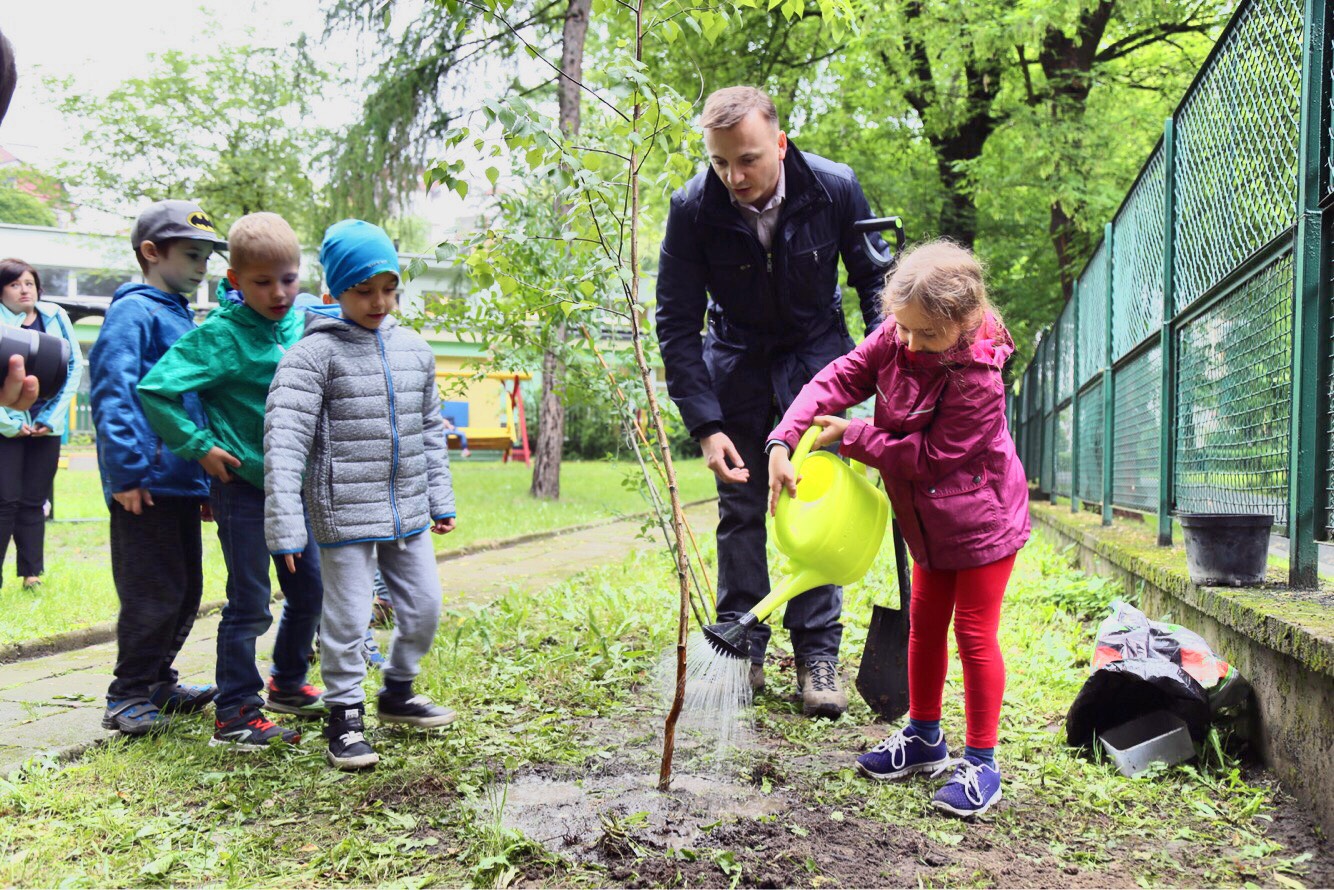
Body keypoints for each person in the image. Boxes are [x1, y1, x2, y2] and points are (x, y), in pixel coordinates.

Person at [767, 240, 1030, 818]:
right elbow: (840, 375)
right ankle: (924, 737)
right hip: (929, 521)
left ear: (962, 324)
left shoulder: (978, 380)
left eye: (925, 336)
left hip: (982, 520)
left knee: (974, 635)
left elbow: (933, 459)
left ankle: (983, 763)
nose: (908, 344)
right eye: (902, 329)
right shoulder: (901, 332)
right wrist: (785, 438)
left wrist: (853, 436)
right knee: (923, 626)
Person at [655, 86, 888, 718]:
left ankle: (816, 651)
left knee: (815, 504)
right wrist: (705, 425)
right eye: (722, 162)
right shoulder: (692, 208)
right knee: (739, 508)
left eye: (749, 160)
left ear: (780, 144)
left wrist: (884, 374)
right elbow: (676, 323)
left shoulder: (834, 189)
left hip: (819, 364)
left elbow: (875, 284)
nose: (735, 177)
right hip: (733, 369)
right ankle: (742, 650)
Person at [265, 219, 458, 770]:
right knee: (347, 620)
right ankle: (343, 715)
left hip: (409, 511)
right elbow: (284, 444)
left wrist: (439, 499)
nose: (379, 302)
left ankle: (397, 690)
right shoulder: (311, 356)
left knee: (423, 609)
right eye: (363, 291)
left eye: (389, 289)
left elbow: (428, 429)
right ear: (333, 293)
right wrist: (285, 528)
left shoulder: (414, 350)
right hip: (342, 513)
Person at [138, 212, 327, 750]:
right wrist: (198, 447)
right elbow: (156, 390)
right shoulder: (220, 337)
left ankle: (286, 684)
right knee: (249, 602)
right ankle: (237, 711)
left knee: (308, 590)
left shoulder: (300, 323)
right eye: (262, 282)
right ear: (236, 282)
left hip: (294, 489)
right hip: (243, 489)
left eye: (288, 279)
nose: (278, 293)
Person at [91, 199, 226, 734]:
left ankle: (157, 682)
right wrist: (126, 472)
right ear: (151, 252)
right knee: (152, 592)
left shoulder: (180, 315)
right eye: (191, 254)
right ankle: (126, 694)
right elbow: (114, 393)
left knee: (186, 587)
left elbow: (193, 402)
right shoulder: (134, 313)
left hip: (178, 481)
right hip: (142, 485)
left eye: (207, 257)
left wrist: (200, 479)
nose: (202, 266)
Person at [0, 259, 83, 591]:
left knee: (35, 500)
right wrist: (9, 421)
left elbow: (74, 366)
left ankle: (31, 574)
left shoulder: (55, 316)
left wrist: (51, 417)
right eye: (15, 284)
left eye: (30, 283)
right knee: (5, 500)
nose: (24, 290)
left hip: (47, 424)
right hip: (6, 428)